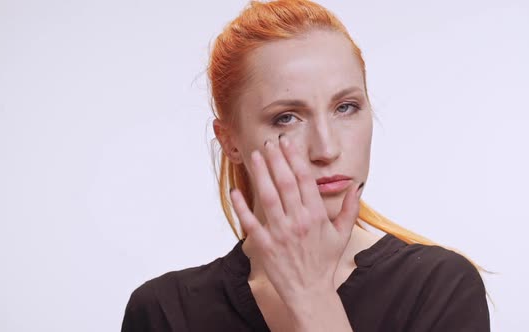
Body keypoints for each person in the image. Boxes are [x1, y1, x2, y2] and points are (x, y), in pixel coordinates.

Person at [121, 0, 491, 331]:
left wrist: (313, 300)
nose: (327, 149)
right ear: (230, 140)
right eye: (286, 118)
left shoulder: (438, 287)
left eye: (346, 107)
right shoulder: (164, 312)